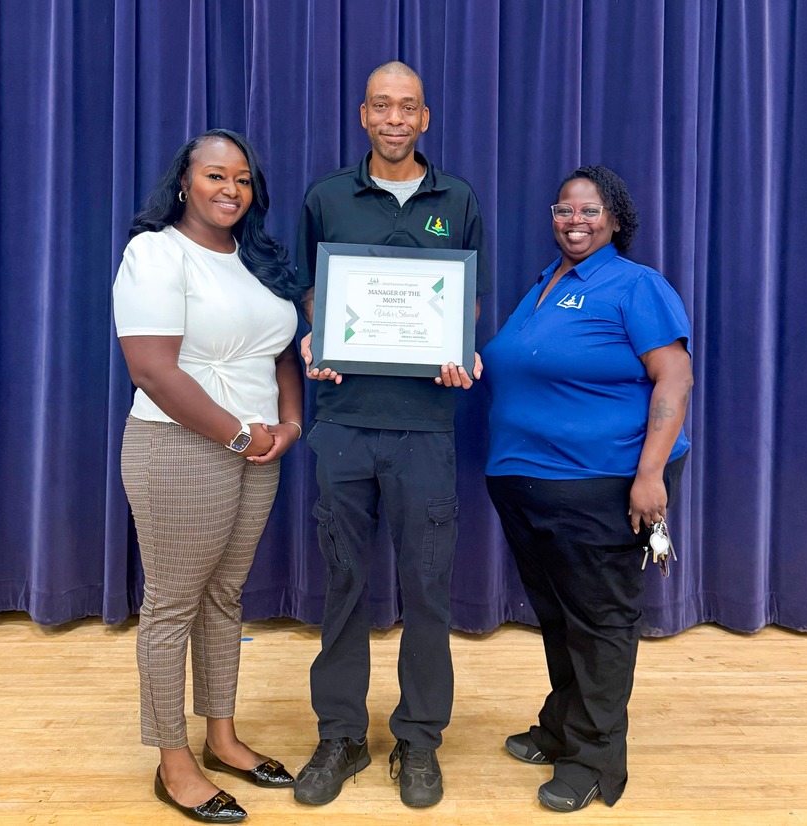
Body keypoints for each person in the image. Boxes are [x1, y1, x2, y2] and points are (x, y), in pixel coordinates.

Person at [291, 61, 491, 809]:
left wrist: (460, 349)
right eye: (383, 106)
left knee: (428, 591)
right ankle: (340, 735)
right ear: (364, 114)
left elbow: (468, 301)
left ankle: (418, 740)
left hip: (425, 428)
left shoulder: (459, 199)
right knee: (343, 584)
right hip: (342, 424)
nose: (396, 118)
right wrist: (317, 333)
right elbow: (312, 286)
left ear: (426, 118)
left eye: (408, 107)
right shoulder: (327, 197)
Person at [482, 165, 693, 813]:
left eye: (589, 211)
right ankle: (561, 724)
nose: (575, 221)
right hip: (525, 483)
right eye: (564, 210)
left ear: (616, 220)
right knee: (557, 617)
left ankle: (598, 759)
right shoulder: (544, 283)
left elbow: (674, 378)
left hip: (601, 485)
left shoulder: (636, 285)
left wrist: (651, 473)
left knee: (599, 623)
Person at [113, 129, 303, 823]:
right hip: (180, 446)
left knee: (224, 597)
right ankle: (174, 760)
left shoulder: (255, 257)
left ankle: (221, 737)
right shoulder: (155, 252)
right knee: (173, 605)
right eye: (216, 176)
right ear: (184, 182)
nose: (230, 190)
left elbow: (280, 349)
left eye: (243, 180)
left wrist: (289, 424)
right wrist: (236, 432)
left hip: (257, 448)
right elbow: (152, 369)